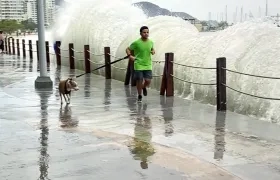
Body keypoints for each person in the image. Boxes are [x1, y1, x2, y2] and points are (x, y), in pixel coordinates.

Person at [126, 26, 155, 102]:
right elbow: (128, 49)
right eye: (144, 32)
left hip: (148, 65)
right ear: (140, 33)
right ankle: (139, 95)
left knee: (148, 81)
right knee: (139, 80)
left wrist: (153, 51)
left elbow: (152, 49)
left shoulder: (151, 42)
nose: (146, 34)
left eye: (147, 32)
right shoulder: (136, 43)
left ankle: (143, 87)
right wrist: (130, 56)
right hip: (138, 64)